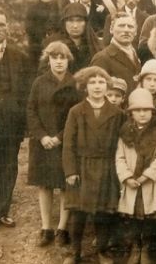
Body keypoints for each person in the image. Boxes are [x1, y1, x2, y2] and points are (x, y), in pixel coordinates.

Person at [62, 66, 124, 264]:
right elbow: (68, 144)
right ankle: (75, 251)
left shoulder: (117, 113)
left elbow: (122, 142)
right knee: (78, 211)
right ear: (85, 86)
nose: (97, 87)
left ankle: (102, 250)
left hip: (107, 167)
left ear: (107, 86)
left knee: (104, 212)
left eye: (101, 82)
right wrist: (70, 171)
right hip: (82, 166)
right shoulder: (76, 111)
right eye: (92, 82)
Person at [26, 41, 79, 247]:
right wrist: (42, 136)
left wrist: (59, 137)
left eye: (62, 57)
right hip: (42, 143)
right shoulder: (39, 83)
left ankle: (62, 229)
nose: (58, 61)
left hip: (64, 143)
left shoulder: (75, 83)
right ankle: (46, 228)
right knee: (45, 184)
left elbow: (76, 116)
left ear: (68, 60)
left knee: (66, 184)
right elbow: (31, 110)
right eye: (54, 57)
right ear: (48, 60)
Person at [115, 88, 156, 264]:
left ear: (152, 112)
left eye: (146, 110)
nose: (142, 114)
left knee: (148, 217)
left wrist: (146, 176)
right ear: (131, 113)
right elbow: (120, 157)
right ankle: (135, 246)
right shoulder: (125, 133)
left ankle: (146, 247)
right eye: (137, 110)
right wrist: (127, 177)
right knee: (133, 217)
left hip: (149, 182)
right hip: (131, 182)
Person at [0, 7, 31, 229]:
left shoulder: (19, 57)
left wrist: (22, 122)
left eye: (0, 25)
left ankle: (0, 212)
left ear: (7, 28)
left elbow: (26, 93)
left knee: (8, 167)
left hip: (10, 124)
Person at [43, 3, 103, 74]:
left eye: (79, 20)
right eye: (70, 20)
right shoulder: (53, 43)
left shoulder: (94, 45)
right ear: (64, 22)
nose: (75, 26)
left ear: (86, 23)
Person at [91, 12, 141, 93]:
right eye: (121, 26)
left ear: (135, 32)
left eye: (130, 27)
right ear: (111, 29)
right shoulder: (102, 58)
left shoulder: (135, 54)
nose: (126, 30)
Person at [25, 0, 60, 72]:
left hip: (55, 42)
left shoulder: (57, 7)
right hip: (37, 45)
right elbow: (29, 28)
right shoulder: (33, 9)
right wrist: (44, 34)